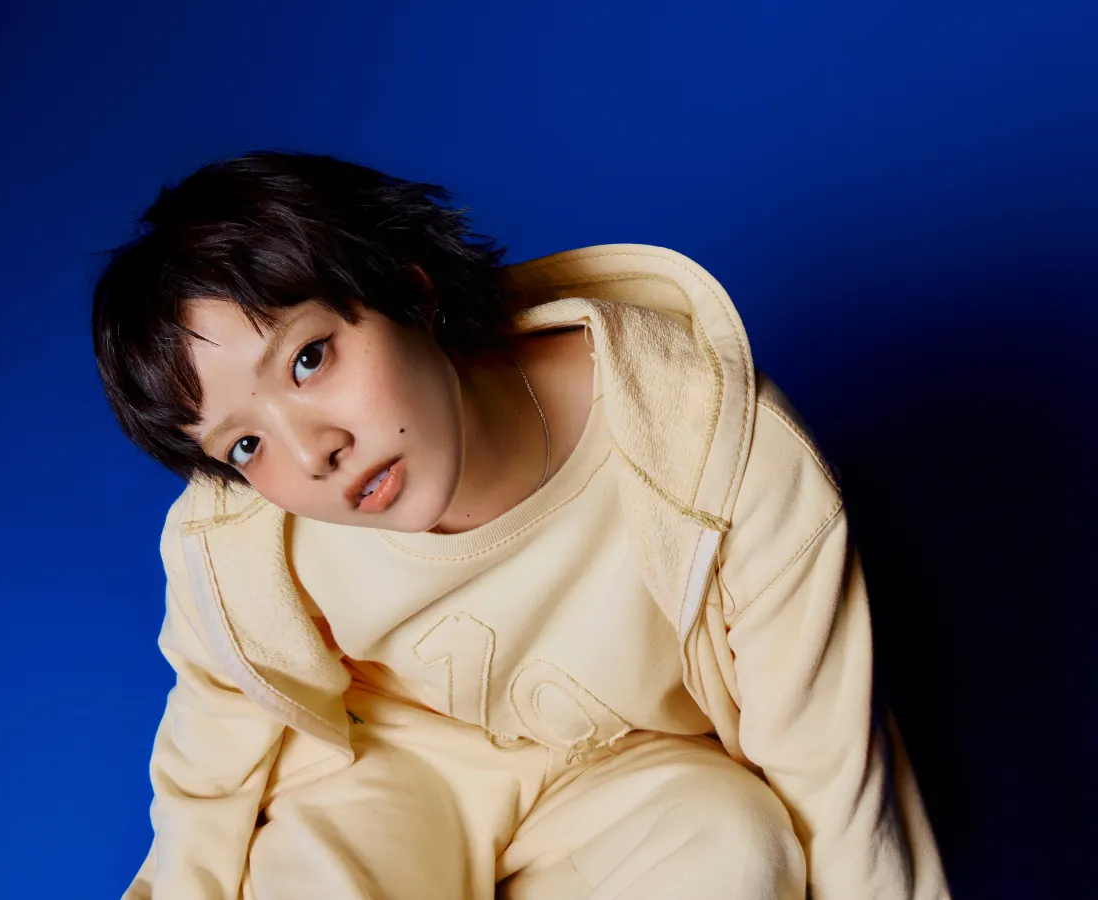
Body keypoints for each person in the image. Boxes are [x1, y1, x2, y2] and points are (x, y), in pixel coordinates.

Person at [92, 151, 950, 900]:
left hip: (636, 770)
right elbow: (209, 765)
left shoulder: (711, 447)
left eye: (309, 359)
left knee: (740, 852)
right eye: (245, 443)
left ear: (409, 290)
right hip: (391, 769)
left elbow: (833, 768)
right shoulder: (244, 537)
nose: (313, 451)